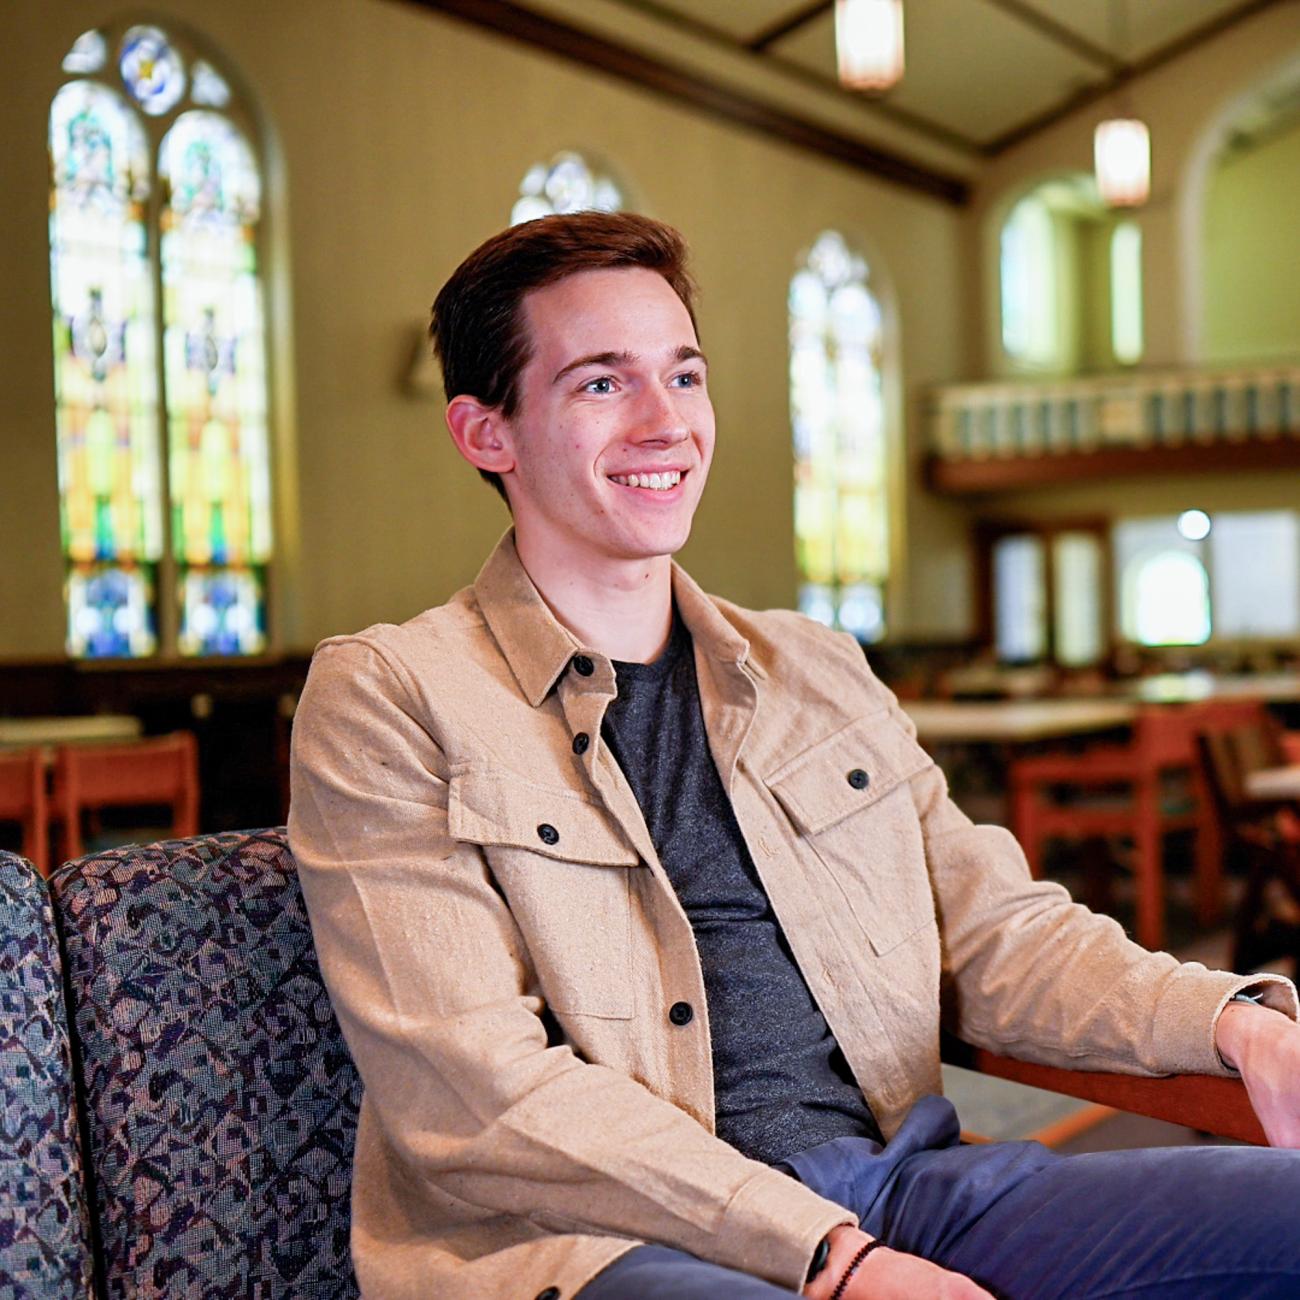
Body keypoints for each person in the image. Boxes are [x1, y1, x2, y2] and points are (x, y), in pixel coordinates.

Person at [288, 212, 1300, 1300]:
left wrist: (1233, 1019)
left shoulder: (813, 665)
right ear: (486, 432)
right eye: (600, 384)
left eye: (684, 376)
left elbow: (998, 935)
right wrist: (831, 1259)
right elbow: (478, 1095)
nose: (663, 422)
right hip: (603, 1242)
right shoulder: (392, 695)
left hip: (904, 1187)